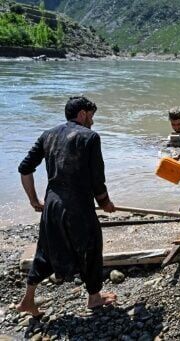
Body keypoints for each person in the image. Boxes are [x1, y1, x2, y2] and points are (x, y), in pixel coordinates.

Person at [16, 96, 117, 316]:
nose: (92, 121)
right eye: (91, 116)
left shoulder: (48, 134)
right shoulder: (90, 137)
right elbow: (96, 178)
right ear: (82, 114)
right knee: (91, 247)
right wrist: (105, 202)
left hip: (52, 205)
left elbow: (24, 169)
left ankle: (28, 299)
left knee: (45, 250)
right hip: (78, 206)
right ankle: (94, 298)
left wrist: (34, 201)